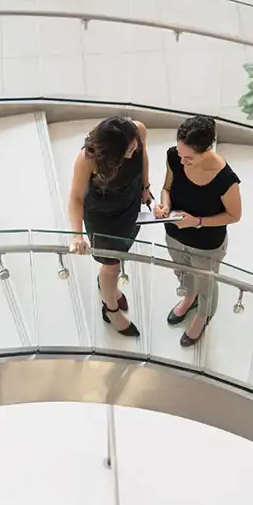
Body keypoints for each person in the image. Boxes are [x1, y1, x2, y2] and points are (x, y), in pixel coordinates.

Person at [153, 116, 241, 347]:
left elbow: (234, 215)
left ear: (206, 150)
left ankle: (203, 314)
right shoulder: (174, 156)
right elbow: (166, 188)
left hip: (206, 243)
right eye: (180, 155)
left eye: (188, 158)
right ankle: (189, 298)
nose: (182, 161)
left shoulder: (225, 179)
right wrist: (165, 205)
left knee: (206, 284)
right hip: (174, 234)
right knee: (182, 272)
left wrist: (197, 222)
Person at [68, 116, 151, 338]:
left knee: (116, 257)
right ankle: (110, 309)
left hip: (130, 203)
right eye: (128, 150)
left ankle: (107, 284)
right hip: (103, 214)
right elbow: (76, 197)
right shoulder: (88, 158)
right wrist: (77, 236)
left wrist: (145, 186)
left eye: (134, 146)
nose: (133, 152)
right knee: (112, 265)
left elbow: (143, 158)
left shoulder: (138, 130)